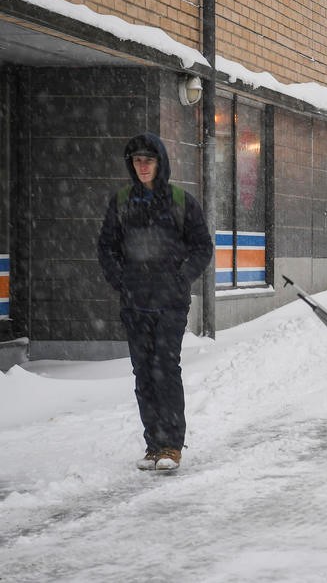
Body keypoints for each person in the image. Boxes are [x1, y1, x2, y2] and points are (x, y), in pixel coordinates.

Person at [97, 133, 213, 471]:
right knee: (144, 373)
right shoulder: (122, 202)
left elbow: (202, 247)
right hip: (135, 303)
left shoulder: (180, 201)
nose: (143, 166)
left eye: (148, 160)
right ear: (131, 165)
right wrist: (122, 281)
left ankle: (171, 446)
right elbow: (106, 247)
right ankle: (153, 446)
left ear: (160, 163)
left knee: (165, 368)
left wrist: (182, 277)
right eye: (137, 160)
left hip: (170, 303)